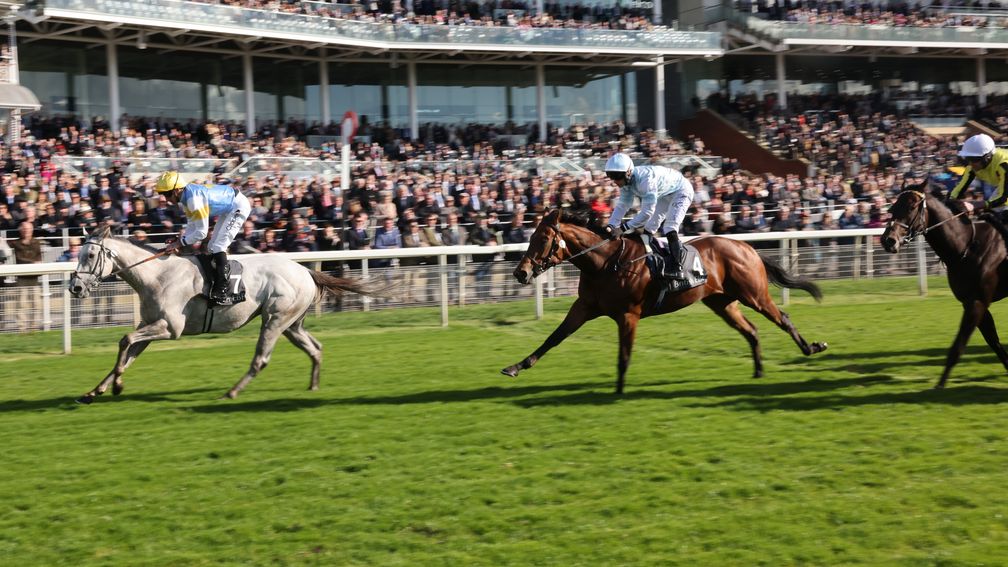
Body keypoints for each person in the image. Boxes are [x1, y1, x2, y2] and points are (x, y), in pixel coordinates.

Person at [155, 171, 251, 306]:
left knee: (218, 246)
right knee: (212, 247)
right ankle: (215, 282)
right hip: (229, 207)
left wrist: (179, 243)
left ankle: (222, 290)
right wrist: (179, 239)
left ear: (176, 190)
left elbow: (201, 233)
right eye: (162, 194)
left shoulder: (193, 200)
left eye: (166, 194)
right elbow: (192, 225)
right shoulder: (186, 197)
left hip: (238, 206)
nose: (165, 199)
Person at [602, 153, 695, 279]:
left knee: (670, 228)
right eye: (611, 176)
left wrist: (623, 228)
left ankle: (678, 268)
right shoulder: (626, 182)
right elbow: (622, 205)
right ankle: (653, 262)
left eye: (617, 176)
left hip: (681, 191)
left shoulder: (646, 180)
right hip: (664, 194)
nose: (615, 181)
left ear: (628, 172)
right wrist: (611, 224)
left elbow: (647, 213)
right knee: (649, 229)